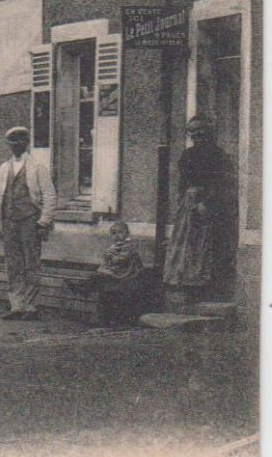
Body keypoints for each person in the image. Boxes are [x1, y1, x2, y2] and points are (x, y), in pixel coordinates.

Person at [0, 126, 56, 320]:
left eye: (21, 140)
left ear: (27, 143)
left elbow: (50, 195)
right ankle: (16, 305)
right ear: (8, 144)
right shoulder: (4, 168)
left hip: (30, 221)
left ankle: (31, 306)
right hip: (9, 221)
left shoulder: (37, 167)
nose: (17, 144)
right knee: (13, 264)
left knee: (31, 263)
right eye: (13, 141)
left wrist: (43, 222)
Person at [165, 115, 238, 299]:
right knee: (185, 242)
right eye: (193, 133)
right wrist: (182, 202)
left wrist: (206, 202)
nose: (197, 136)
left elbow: (221, 182)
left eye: (201, 132)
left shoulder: (217, 155)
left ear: (209, 133)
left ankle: (202, 285)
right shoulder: (187, 155)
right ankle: (184, 282)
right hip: (188, 204)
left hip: (210, 203)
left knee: (204, 244)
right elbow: (183, 182)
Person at [85, 221, 148, 326]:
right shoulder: (116, 245)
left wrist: (111, 255)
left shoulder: (129, 245)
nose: (117, 236)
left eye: (120, 233)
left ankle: (84, 289)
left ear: (127, 233)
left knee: (100, 278)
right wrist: (108, 254)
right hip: (119, 273)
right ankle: (84, 289)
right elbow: (107, 259)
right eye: (114, 233)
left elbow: (121, 259)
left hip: (129, 275)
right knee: (99, 277)